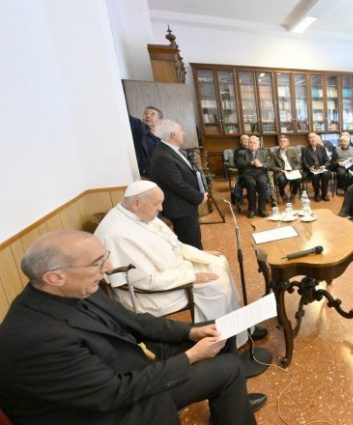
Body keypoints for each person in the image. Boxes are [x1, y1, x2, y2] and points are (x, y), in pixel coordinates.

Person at [0, 230, 266, 425]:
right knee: (229, 368)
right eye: (97, 262)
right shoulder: (39, 338)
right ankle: (231, 393)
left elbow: (136, 322)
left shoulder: (73, 286)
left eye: (104, 257)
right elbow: (114, 393)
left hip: (128, 362)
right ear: (55, 277)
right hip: (114, 408)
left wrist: (190, 332)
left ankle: (231, 405)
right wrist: (191, 356)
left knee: (220, 330)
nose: (108, 268)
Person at [94, 181, 247, 335]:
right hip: (150, 293)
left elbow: (174, 244)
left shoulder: (138, 213)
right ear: (137, 203)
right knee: (216, 285)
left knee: (219, 261)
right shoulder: (117, 234)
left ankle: (241, 326)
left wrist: (201, 255)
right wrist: (190, 277)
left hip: (170, 271)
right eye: (156, 204)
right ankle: (220, 335)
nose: (161, 209)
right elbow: (144, 280)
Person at [149, 119, 206, 249]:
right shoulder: (163, 156)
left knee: (193, 238)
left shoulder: (171, 150)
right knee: (191, 243)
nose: (183, 133)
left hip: (185, 204)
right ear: (173, 135)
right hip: (180, 207)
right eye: (181, 131)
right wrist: (199, 197)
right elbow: (178, 185)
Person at [235, 135, 271, 217]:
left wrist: (261, 164)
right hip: (247, 174)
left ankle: (262, 209)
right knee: (250, 183)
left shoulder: (264, 152)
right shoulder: (241, 153)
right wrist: (250, 163)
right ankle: (252, 209)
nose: (252, 144)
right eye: (251, 142)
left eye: (255, 143)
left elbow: (269, 164)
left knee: (262, 183)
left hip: (260, 173)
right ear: (248, 144)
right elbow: (238, 163)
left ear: (258, 144)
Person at [129, 106, 162, 177]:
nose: (148, 116)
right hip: (142, 174)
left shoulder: (162, 138)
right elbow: (126, 114)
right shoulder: (138, 127)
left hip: (159, 173)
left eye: (152, 114)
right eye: (146, 113)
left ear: (159, 120)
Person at [270, 135, 303, 202]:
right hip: (281, 171)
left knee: (298, 179)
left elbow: (299, 163)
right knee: (281, 180)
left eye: (284, 141)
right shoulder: (274, 153)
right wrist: (280, 170)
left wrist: (294, 169)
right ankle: (282, 194)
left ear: (288, 143)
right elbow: (272, 166)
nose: (282, 143)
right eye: (281, 141)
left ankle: (293, 193)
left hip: (292, 170)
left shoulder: (293, 151)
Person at [303, 133, 332, 202]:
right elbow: (304, 162)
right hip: (312, 169)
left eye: (314, 137)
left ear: (317, 138)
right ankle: (317, 194)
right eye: (310, 138)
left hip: (321, 168)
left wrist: (324, 166)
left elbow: (327, 160)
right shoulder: (305, 149)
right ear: (308, 139)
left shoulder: (322, 148)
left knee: (325, 174)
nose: (312, 139)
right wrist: (310, 168)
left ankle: (324, 194)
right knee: (315, 175)